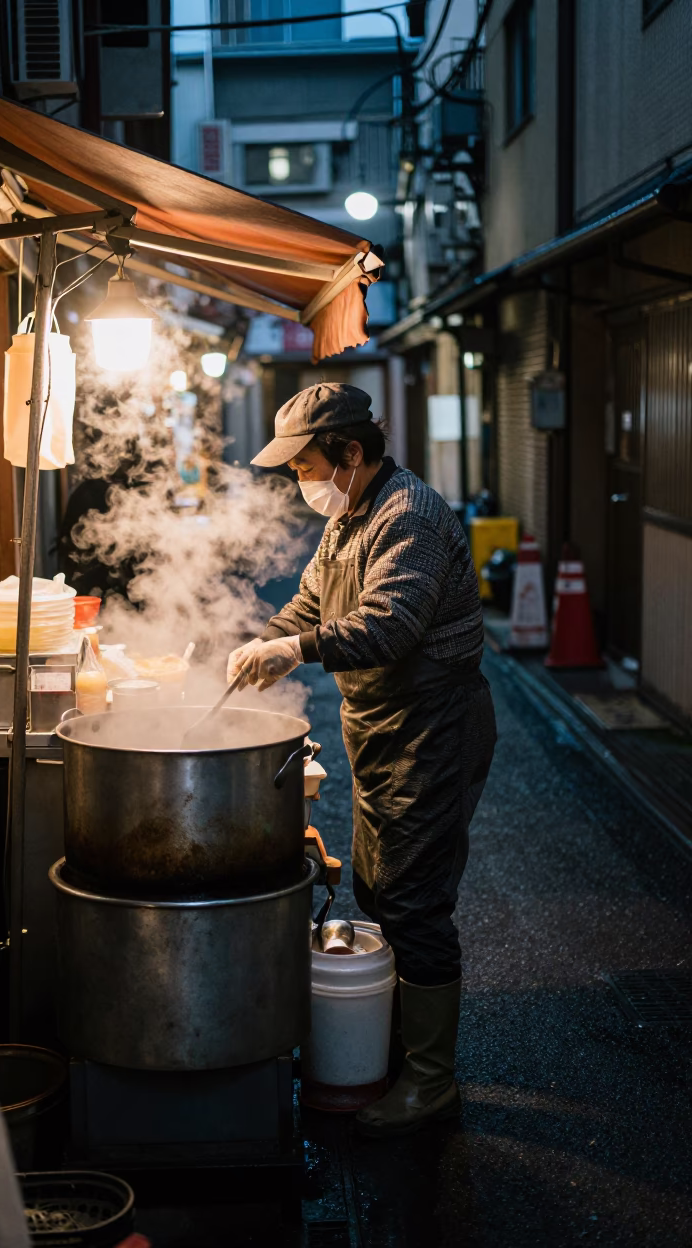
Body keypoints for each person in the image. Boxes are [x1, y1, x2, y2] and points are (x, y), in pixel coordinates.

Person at [227, 383, 496, 1138]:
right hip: (380, 726)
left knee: (413, 900)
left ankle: (432, 1080)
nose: (299, 482)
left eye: (306, 465)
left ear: (349, 452)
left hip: (434, 725)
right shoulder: (348, 516)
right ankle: (405, 1049)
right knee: (380, 886)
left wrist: (295, 651)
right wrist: (267, 643)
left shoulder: (407, 516)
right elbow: (314, 601)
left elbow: (389, 626)